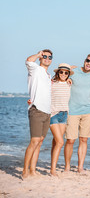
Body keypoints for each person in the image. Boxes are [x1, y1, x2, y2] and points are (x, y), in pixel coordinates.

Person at [64, 54, 90, 173]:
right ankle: (67, 166)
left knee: (84, 140)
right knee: (70, 140)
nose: (89, 64)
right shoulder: (73, 71)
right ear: (84, 60)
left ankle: (80, 167)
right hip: (72, 111)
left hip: (88, 111)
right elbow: (60, 76)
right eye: (87, 61)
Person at [23, 49, 53, 178]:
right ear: (40, 58)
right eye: (44, 56)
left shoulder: (48, 75)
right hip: (36, 109)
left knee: (40, 142)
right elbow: (28, 60)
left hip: (47, 112)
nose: (47, 58)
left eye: (49, 57)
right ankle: (25, 171)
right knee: (34, 141)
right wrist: (37, 54)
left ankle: (33, 170)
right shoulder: (35, 69)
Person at [49, 63, 73, 176]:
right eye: (61, 72)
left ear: (68, 74)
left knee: (55, 142)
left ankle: (52, 165)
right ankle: (53, 170)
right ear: (57, 72)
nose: (63, 74)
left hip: (64, 115)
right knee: (60, 142)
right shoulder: (52, 83)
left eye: (66, 72)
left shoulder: (69, 84)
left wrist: (71, 70)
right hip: (53, 114)